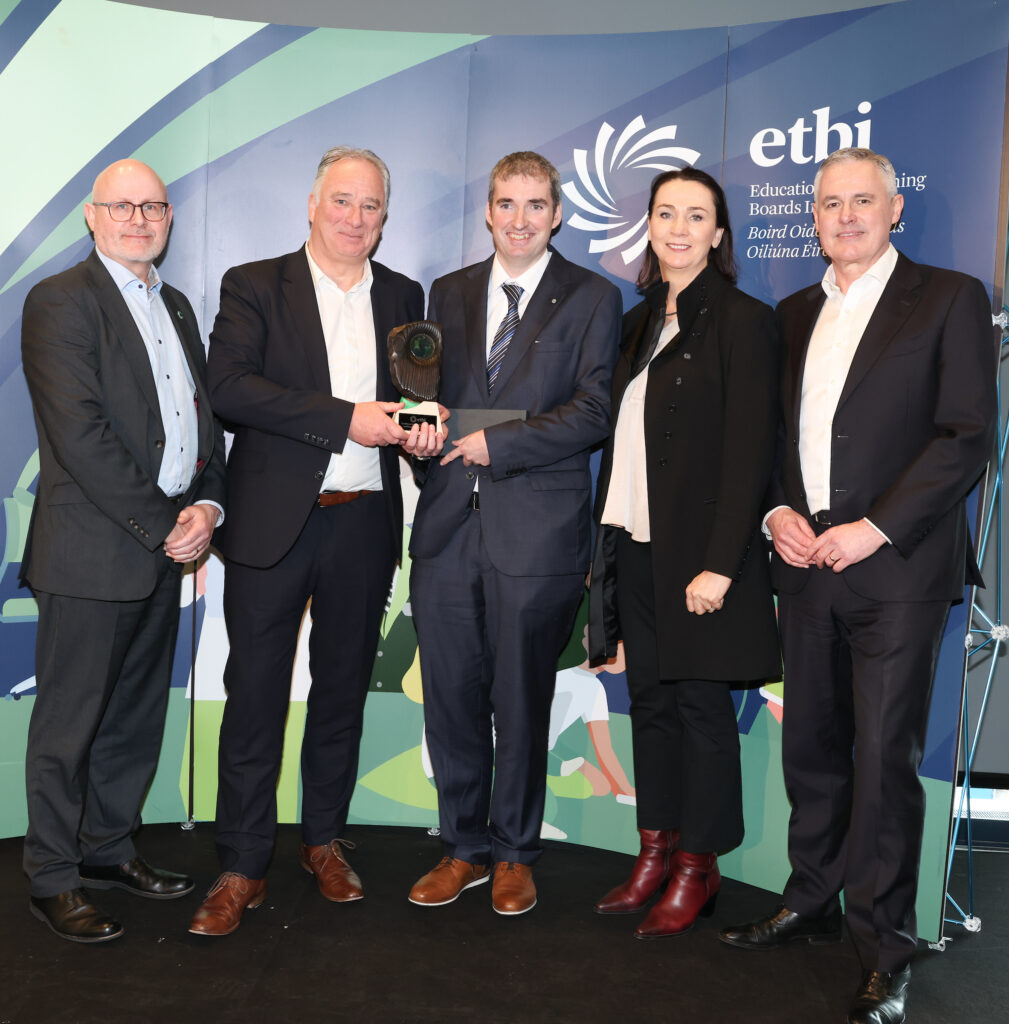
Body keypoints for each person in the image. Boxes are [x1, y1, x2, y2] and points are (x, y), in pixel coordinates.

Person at [718, 148, 996, 1024]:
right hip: (804, 570)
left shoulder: (948, 296)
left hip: (897, 570)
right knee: (810, 751)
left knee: (881, 764)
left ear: (893, 209)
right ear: (811, 216)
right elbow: (771, 436)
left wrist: (873, 527)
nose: (844, 216)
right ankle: (810, 901)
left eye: (861, 201)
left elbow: (964, 435)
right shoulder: (794, 311)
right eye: (829, 203)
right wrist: (775, 513)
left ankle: (885, 949)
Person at [189, 146, 438, 936]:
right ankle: (242, 864)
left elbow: (412, 400)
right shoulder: (255, 284)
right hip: (272, 524)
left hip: (364, 522)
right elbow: (229, 388)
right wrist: (343, 419)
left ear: (384, 217)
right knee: (255, 697)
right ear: (311, 203)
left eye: (370, 206)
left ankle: (322, 841)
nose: (355, 219)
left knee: (340, 693)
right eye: (342, 201)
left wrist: (421, 432)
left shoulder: (402, 295)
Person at [406, 151, 621, 915]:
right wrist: (419, 432)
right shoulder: (448, 291)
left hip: (537, 533)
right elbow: (432, 398)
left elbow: (594, 411)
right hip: (446, 527)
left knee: (522, 700)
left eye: (535, 205)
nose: (520, 219)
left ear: (556, 215)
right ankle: (462, 847)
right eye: (506, 203)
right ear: (488, 212)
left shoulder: (593, 297)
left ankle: (514, 854)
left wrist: (498, 444)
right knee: (449, 699)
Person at [20, 159, 226, 942]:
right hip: (91, 553)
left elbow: (201, 422)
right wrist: (165, 522)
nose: (139, 219)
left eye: (153, 207)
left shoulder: (174, 303)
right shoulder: (60, 301)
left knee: (134, 720)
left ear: (169, 219)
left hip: (162, 548)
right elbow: (80, 435)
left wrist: (207, 504)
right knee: (68, 728)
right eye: (123, 206)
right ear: (91, 215)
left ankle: (107, 848)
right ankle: (52, 875)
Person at [587, 168, 780, 938]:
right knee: (651, 706)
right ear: (650, 226)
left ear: (717, 234)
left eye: (695, 216)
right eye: (666, 213)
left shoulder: (742, 320)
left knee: (700, 710)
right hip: (633, 545)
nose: (677, 228)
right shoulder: (636, 322)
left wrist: (722, 563)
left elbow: (750, 450)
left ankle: (699, 867)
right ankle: (655, 851)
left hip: (701, 558)